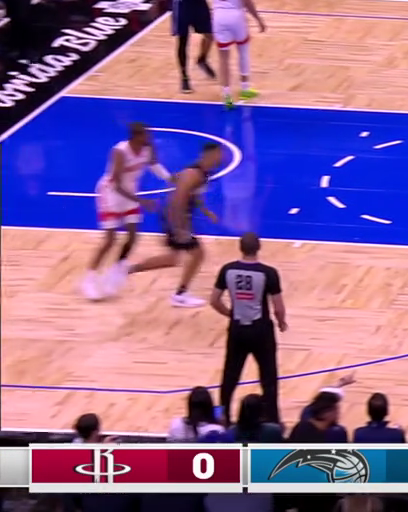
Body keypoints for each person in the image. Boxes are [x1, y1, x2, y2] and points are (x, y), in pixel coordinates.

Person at [104, 143, 223, 307]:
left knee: (172, 258)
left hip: (173, 217)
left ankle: (127, 269)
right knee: (198, 254)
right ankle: (180, 294)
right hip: (175, 218)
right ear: (210, 154)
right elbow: (178, 199)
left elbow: (192, 194)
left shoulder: (202, 173)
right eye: (219, 154)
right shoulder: (194, 174)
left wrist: (205, 211)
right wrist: (180, 226)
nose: (221, 157)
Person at [82, 123, 172, 300]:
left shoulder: (148, 148)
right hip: (111, 194)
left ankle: (116, 270)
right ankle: (89, 279)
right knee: (110, 240)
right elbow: (115, 184)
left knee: (132, 237)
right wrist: (141, 201)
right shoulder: (120, 152)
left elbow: (154, 164)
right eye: (146, 135)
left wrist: (171, 178)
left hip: (129, 194)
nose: (149, 138)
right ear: (136, 136)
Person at [212, 232, 285, 424]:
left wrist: (230, 314)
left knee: (230, 377)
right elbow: (278, 307)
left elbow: (214, 300)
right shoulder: (268, 273)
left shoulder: (227, 270)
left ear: (240, 247)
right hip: (261, 330)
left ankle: (223, 417)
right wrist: (281, 322)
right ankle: (273, 421)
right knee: (268, 378)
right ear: (258, 247)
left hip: (237, 329)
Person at [209, 0, 266, 108]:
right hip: (236, 15)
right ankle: (245, 89)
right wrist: (258, 18)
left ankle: (226, 96)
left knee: (223, 57)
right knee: (243, 51)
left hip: (219, 16)